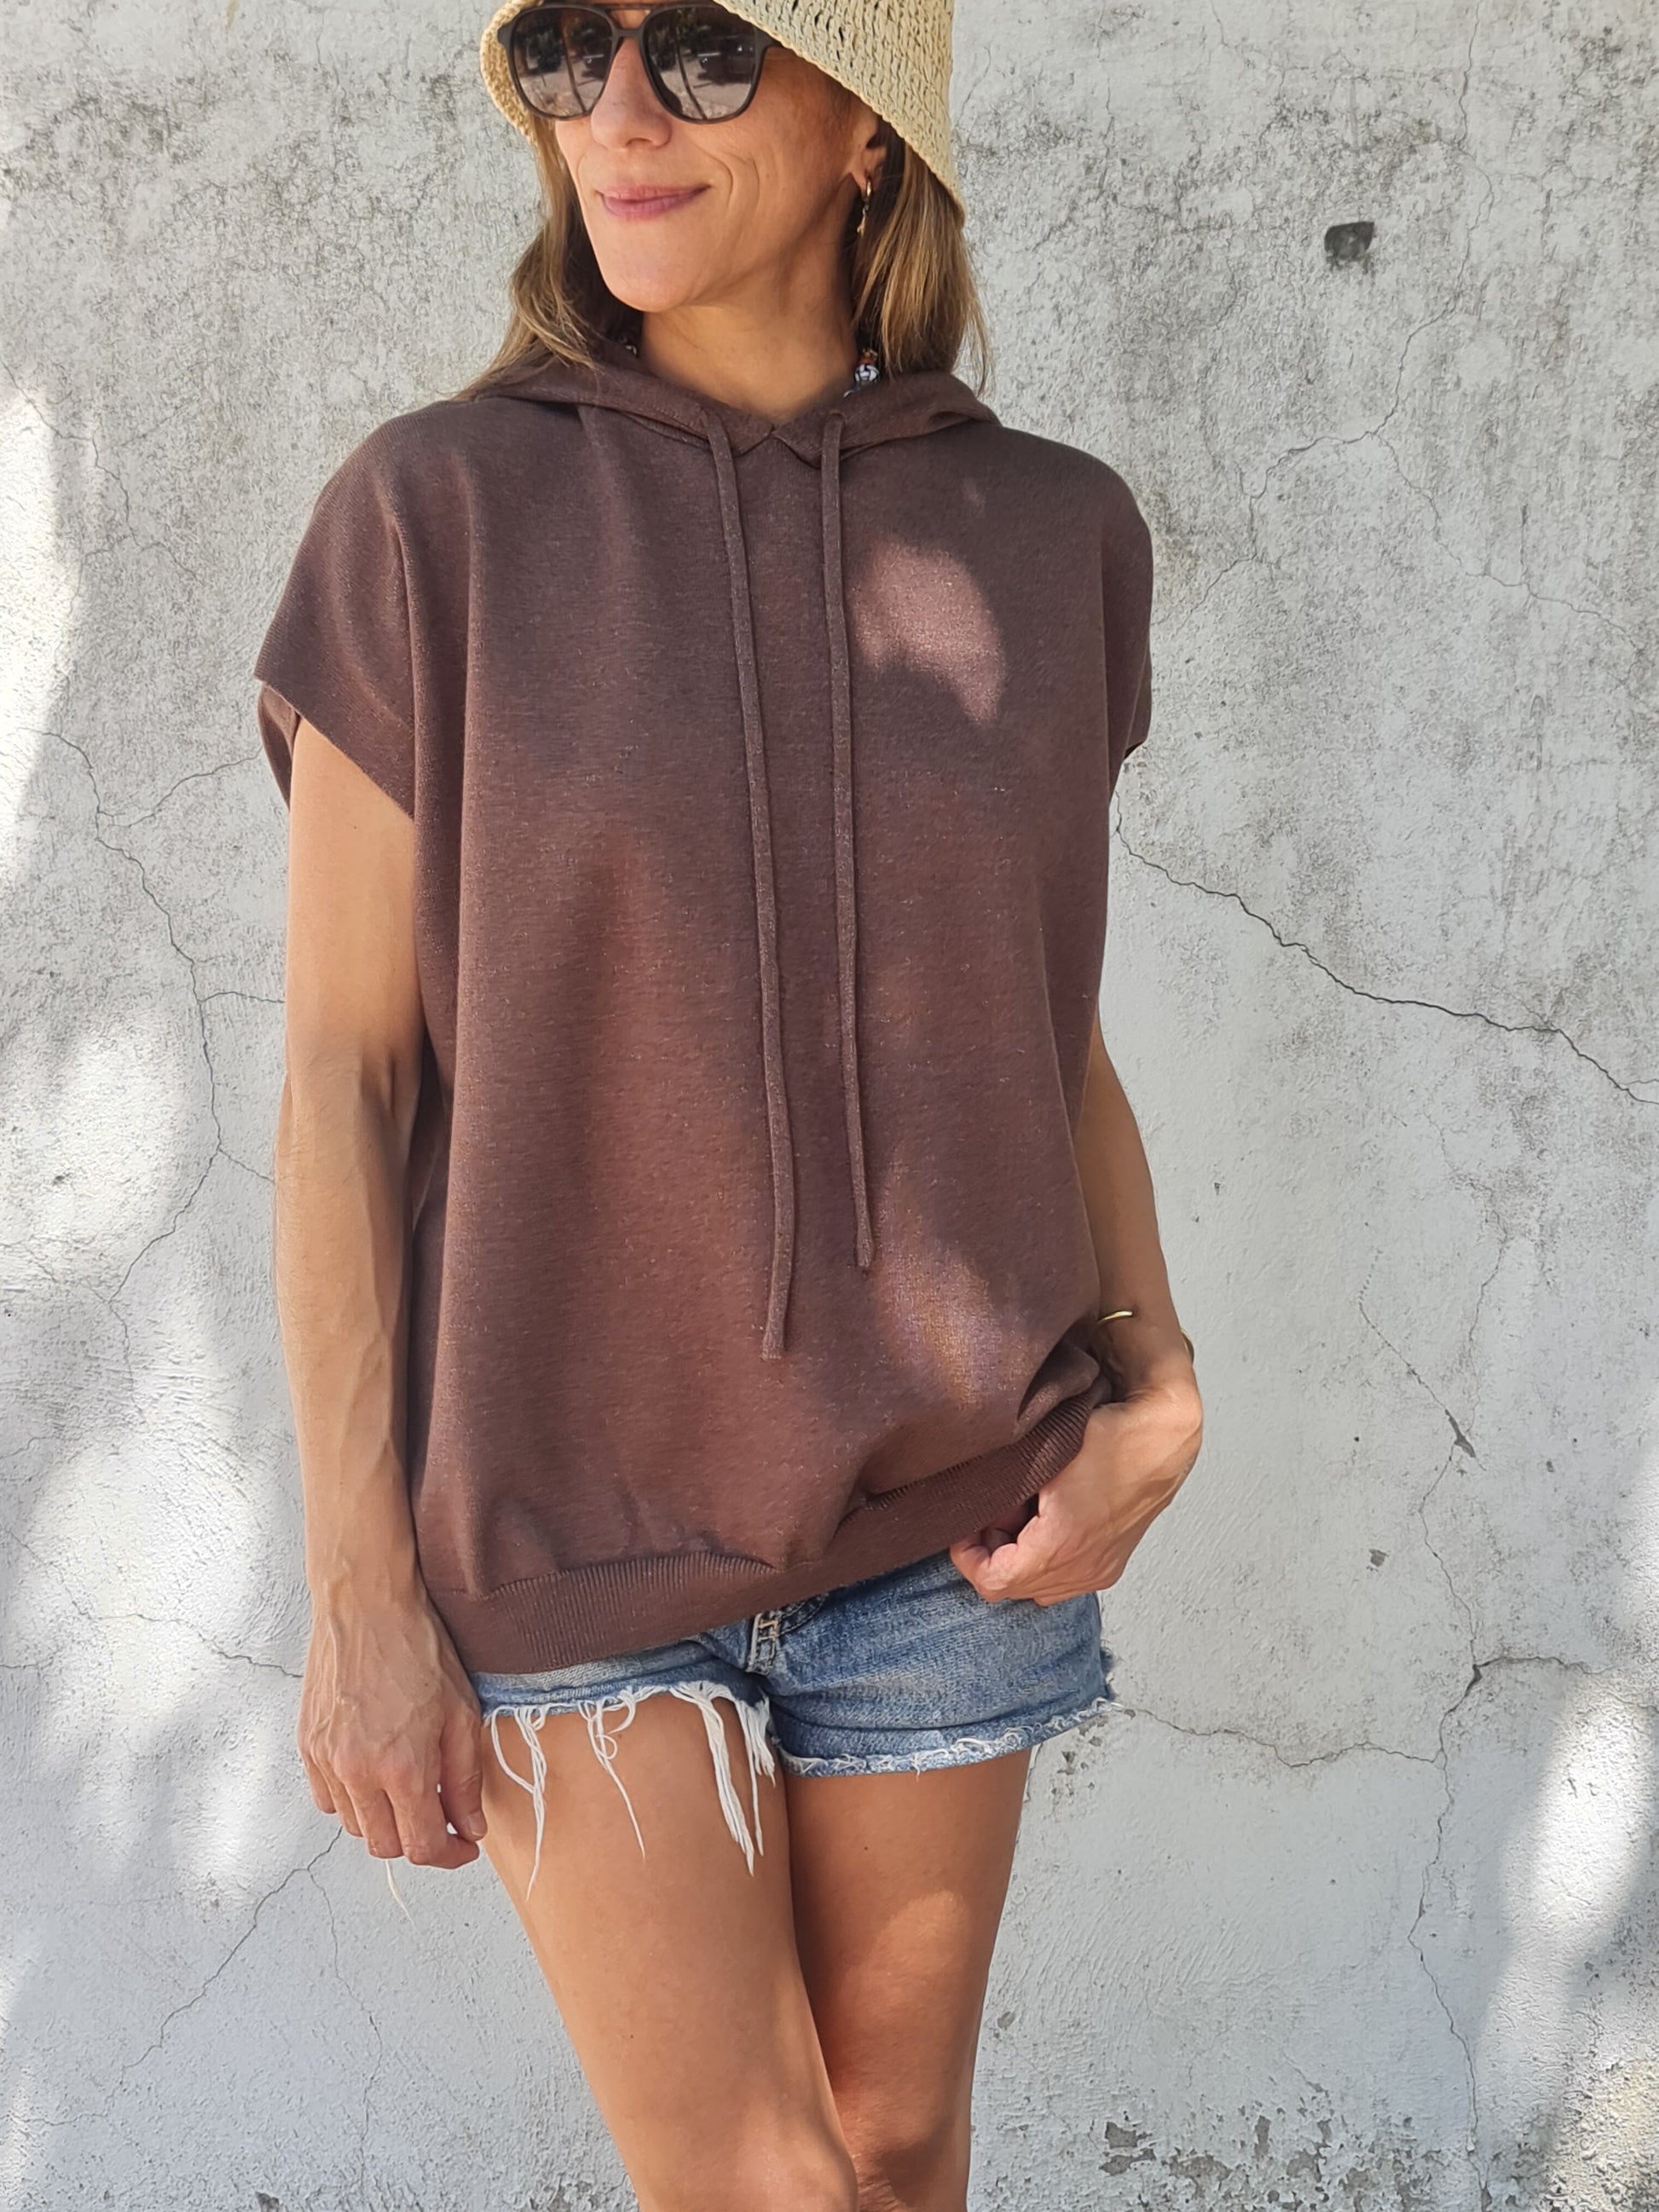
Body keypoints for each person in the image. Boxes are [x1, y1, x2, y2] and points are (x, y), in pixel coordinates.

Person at [252, 1, 1204, 2204]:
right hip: (567, 1523)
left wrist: (1156, 1385)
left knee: (893, 2154)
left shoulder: (1050, 536)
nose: (613, 113)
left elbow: (1037, 1027)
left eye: (697, 53)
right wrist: (359, 1583)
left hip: (954, 1520)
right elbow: (342, 1077)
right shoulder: (431, 520)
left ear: (868, 130)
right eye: (564, 50)